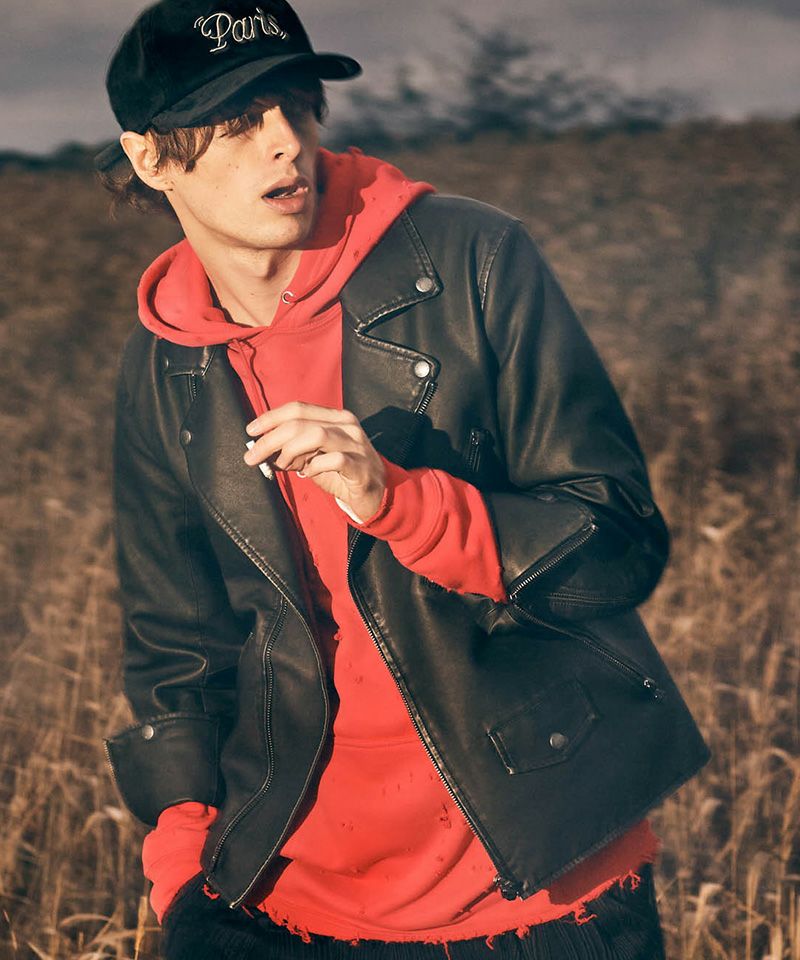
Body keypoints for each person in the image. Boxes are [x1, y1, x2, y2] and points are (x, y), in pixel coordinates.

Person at [96, 1, 710, 957]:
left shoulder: (471, 259)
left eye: (295, 105)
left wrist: (401, 503)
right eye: (238, 122)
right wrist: (182, 866)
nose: (286, 143)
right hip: (283, 901)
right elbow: (175, 641)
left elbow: (618, 540)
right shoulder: (164, 355)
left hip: (540, 892)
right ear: (148, 159)